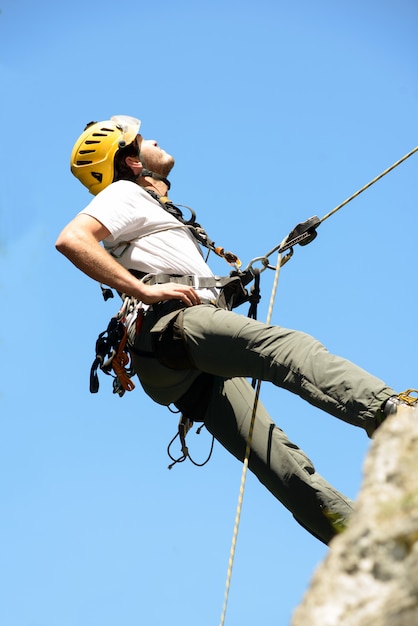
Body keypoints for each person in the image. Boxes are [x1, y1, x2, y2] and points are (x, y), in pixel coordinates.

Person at [56, 115, 416, 545]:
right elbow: (72, 239)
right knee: (285, 348)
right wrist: (142, 290)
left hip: (174, 358)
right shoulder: (122, 194)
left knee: (276, 458)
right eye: (141, 139)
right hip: (170, 327)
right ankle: (393, 413)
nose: (153, 139)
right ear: (131, 162)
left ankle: (373, 547)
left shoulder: (153, 212)